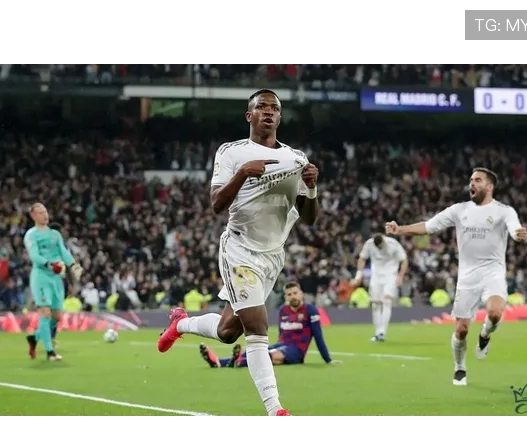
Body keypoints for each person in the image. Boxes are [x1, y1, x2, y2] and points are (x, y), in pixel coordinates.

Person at [157, 89, 320, 416]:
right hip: (240, 250)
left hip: (272, 256)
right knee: (257, 327)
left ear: (279, 117)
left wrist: (313, 188)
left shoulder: (296, 159)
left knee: (228, 332)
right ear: (250, 115)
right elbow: (217, 204)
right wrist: (243, 172)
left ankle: (181, 324)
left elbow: (310, 218)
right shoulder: (232, 152)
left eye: (274, 108)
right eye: (262, 107)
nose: (269, 112)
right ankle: (275, 410)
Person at [385, 168, 527, 386]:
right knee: (461, 330)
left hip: (493, 273)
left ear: (489, 187)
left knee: (495, 313)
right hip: (467, 277)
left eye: (478, 180)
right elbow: (428, 226)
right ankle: (459, 367)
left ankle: (485, 334)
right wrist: (400, 230)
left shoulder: (504, 211)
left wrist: (518, 235)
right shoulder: (459, 210)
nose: (472, 183)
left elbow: (515, 229)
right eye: (471, 180)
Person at [199, 282, 340, 368]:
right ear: (285, 297)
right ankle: (219, 362)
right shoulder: (283, 310)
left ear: (301, 294)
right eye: (289, 294)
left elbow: (318, 335)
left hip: (296, 350)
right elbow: (282, 333)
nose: (293, 296)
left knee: (268, 355)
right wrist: (277, 344)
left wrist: (328, 360)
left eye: (295, 293)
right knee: (255, 351)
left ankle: (238, 362)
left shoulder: (310, 310)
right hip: (281, 344)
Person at [24, 204, 83, 360]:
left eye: (45, 212)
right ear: (33, 216)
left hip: (56, 278)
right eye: (40, 213)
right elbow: (34, 255)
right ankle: (50, 352)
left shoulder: (55, 234)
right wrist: (50, 264)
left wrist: (73, 265)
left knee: (56, 317)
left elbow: (63, 252)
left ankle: (34, 338)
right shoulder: (31, 235)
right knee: (45, 313)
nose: (45, 215)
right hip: (41, 277)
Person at [351, 233, 407, 342]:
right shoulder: (369, 244)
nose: (379, 248)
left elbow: (404, 260)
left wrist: (400, 276)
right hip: (376, 276)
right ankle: (377, 333)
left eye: (381, 246)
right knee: (375, 304)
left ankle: (382, 332)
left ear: (383, 241)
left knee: (386, 301)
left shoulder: (393, 244)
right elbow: (362, 259)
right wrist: (358, 276)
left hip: (390, 275)